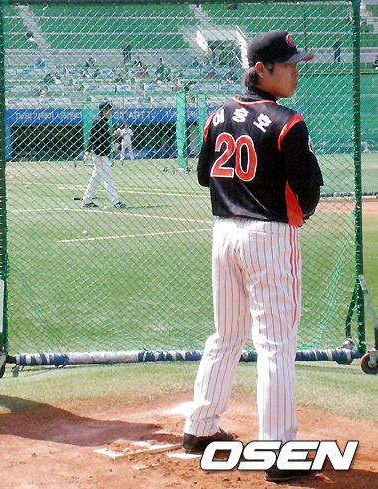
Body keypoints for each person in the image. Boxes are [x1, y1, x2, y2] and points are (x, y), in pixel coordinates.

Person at [183, 30, 323, 483]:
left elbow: (204, 175)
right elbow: (309, 192)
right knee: (276, 345)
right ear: (262, 69)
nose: (297, 72)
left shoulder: (218, 115)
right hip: (270, 235)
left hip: (224, 233)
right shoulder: (288, 122)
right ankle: (279, 451)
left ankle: (200, 427)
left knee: (227, 336)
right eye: (290, 65)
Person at [82, 101, 125, 209]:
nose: (111, 112)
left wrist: (114, 136)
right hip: (99, 154)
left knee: (96, 178)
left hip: (102, 153)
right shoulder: (98, 121)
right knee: (107, 177)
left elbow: (104, 137)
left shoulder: (104, 122)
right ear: (104, 110)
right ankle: (115, 202)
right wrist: (88, 150)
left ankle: (86, 200)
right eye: (109, 110)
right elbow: (92, 136)